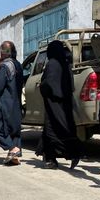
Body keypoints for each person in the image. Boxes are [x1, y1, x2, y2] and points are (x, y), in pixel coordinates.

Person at [36, 41, 81, 169]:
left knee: (53, 129)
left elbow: (48, 84)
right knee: (57, 128)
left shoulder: (52, 64)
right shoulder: (66, 64)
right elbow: (70, 85)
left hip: (54, 103)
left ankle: (73, 153)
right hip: (65, 102)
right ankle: (51, 158)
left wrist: (42, 86)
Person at [0, 41, 23, 165]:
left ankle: (12, 148)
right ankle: (14, 157)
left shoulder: (5, 66)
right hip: (16, 103)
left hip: (5, 103)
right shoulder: (18, 65)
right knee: (14, 130)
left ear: (3, 53)